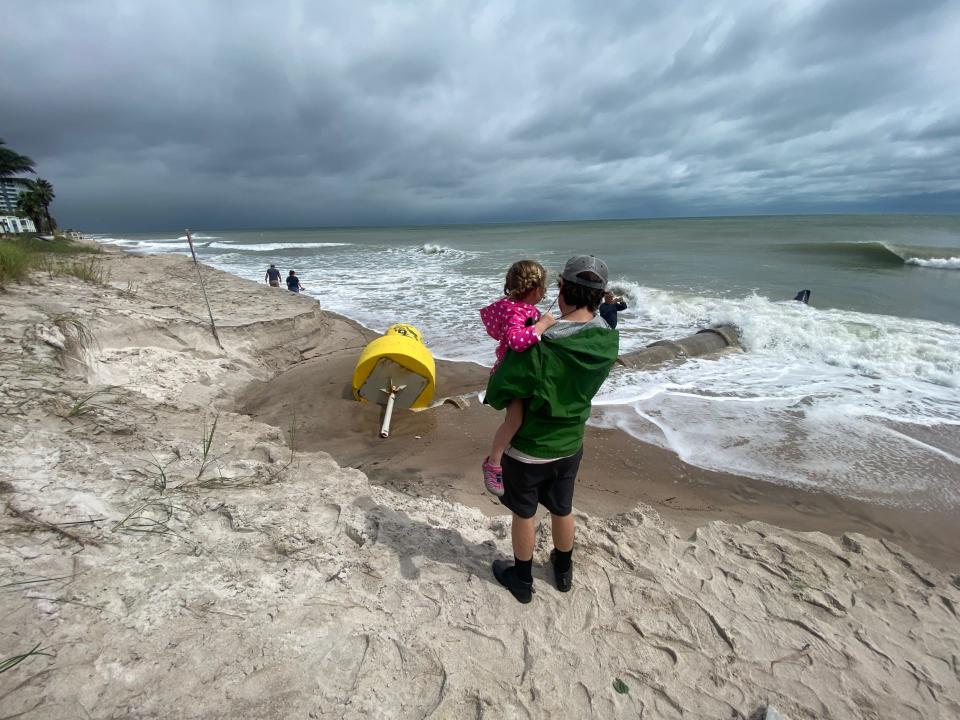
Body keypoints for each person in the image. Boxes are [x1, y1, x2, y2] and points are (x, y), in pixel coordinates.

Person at [483, 255, 619, 603]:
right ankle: (562, 571)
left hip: (529, 447)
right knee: (562, 508)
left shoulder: (541, 341)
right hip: (570, 442)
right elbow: (604, 326)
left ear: (561, 290)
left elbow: (502, 387)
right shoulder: (605, 339)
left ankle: (523, 579)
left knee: (524, 513)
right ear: (599, 295)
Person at [479, 260, 557, 497]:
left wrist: (540, 324)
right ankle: (493, 463)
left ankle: (511, 454)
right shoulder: (515, 311)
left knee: (525, 417)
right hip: (512, 375)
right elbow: (515, 340)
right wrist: (542, 325)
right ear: (536, 289)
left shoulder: (518, 308)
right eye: (543, 288)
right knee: (514, 420)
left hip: (520, 371)